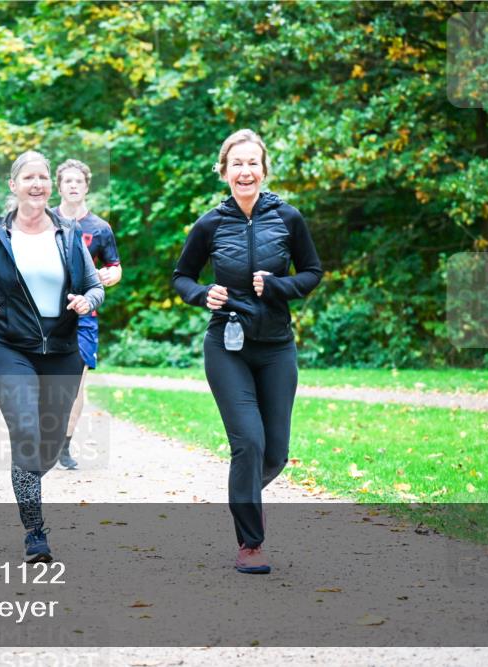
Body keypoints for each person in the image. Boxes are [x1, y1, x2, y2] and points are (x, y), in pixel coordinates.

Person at [172, 129, 322, 574]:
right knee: (249, 444)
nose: (245, 171)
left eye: (252, 163)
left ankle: (242, 497)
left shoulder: (288, 218)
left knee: (274, 453)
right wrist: (204, 295)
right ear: (224, 171)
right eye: (236, 163)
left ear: (264, 169)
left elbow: (312, 271)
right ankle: (250, 544)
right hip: (227, 346)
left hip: (277, 346)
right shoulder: (210, 224)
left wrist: (279, 286)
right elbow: (182, 277)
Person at [0, 150, 104, 563]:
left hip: (62, 349)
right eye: (29, 177)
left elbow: (97, 286)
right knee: (25, 430)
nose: (38, 184)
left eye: (43, 177)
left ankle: (27, 478)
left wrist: (85, 300)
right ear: (14, 185)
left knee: (46, 447)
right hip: (8, 346)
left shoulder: (69, 232)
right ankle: (35, 533)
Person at [51, 159, 122, 470]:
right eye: (67, 181)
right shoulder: (41, 220)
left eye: (78, 181)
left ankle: (63, 446)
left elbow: (114, 266)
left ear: (86, 186)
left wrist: (111, 275)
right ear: (59, 186)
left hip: (85, 314)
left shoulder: (100, 228)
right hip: (46, 314)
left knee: (76, 382)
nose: (73, 186)